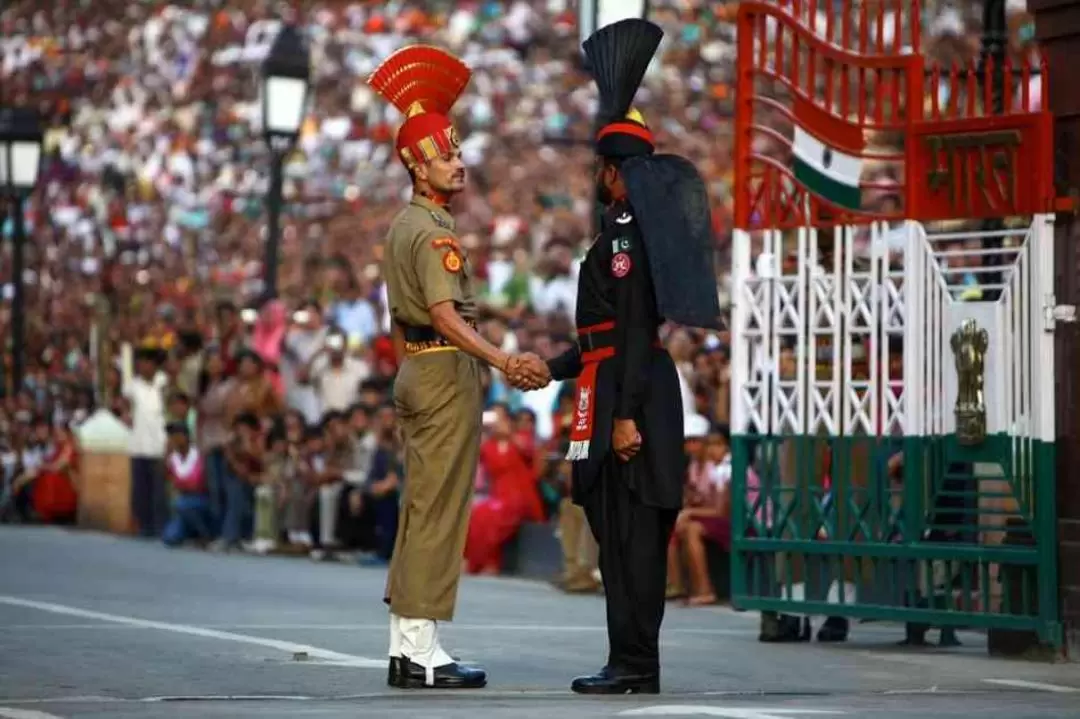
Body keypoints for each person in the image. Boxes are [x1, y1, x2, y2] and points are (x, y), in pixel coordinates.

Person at [519, 19, 723, 694]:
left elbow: (631, 329)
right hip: (615, 380)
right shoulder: (620, 234)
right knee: (623, 535)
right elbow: (598, 340)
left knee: (632, 538)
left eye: (598, 169)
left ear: (612, 173)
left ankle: (632, 661)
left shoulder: (624, 240)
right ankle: (634, 659)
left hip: (629, 389)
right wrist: (547, 371)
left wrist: (625, 413)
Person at [366, 44, 548, 690]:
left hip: (416, 370)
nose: (459, 161)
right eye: (446, 153)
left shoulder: (401, 226)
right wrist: (501, 360)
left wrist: (409, 370)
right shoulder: (434, 232)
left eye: (457, 149)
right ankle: (421, 651)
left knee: (421, 506)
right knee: (440, 511)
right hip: (443, 375)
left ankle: (404, 644)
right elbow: (445, 315)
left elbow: (400, 319)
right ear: (418, 167)